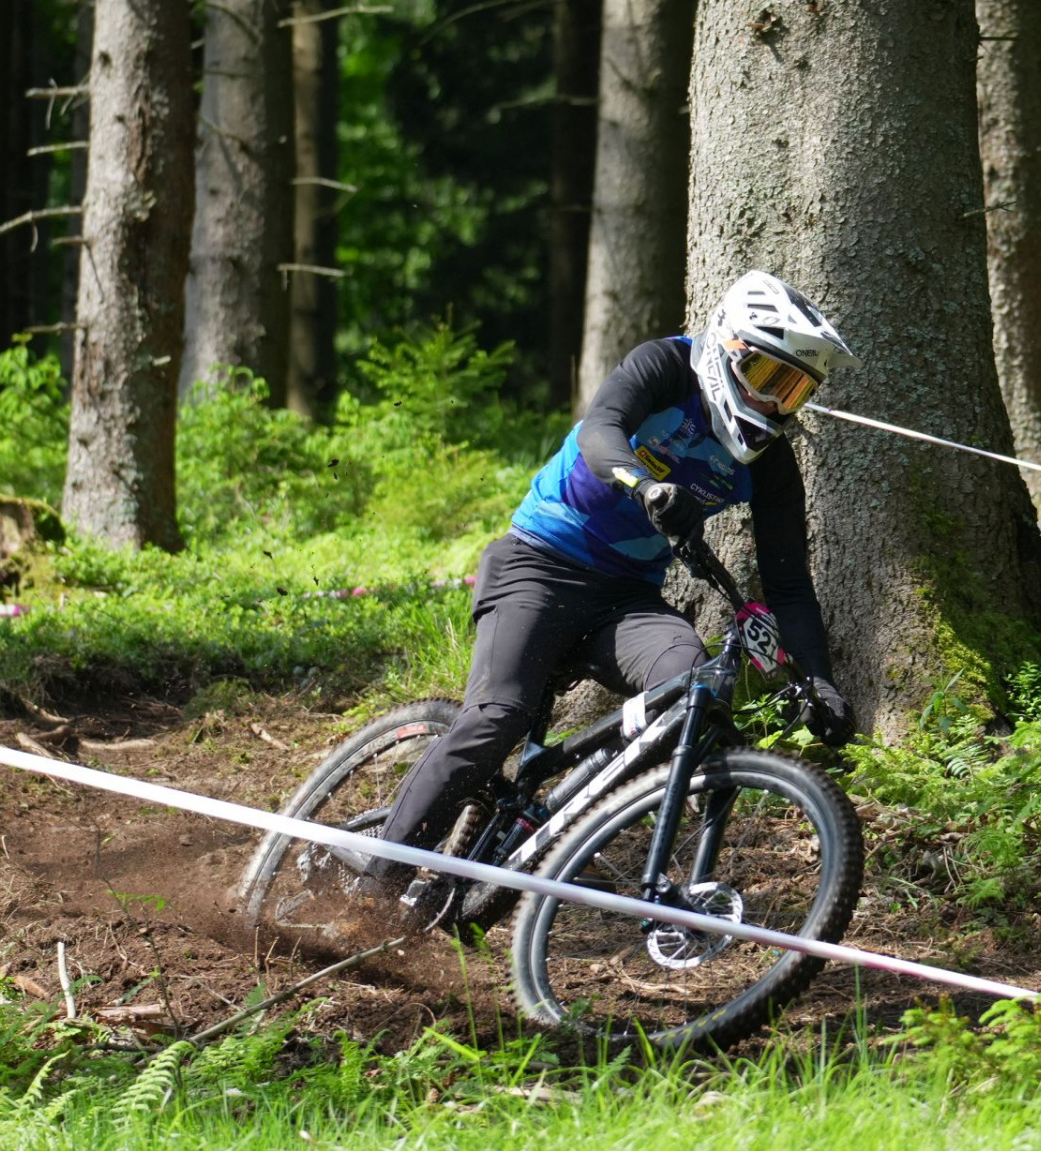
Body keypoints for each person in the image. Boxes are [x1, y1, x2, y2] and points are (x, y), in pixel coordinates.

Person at [340, 270, 859, 897]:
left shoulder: (771, 465)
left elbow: (790, 586)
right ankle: (371, 889)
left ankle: (562, 816)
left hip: (625, 599)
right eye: (770, 379)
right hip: (538, 562)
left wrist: (820, 680)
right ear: (730, 349)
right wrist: (645, 486)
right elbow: (598, 432)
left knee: (688, 681)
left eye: (795, 391)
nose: (777, 404)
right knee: (498, 717)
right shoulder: (668, 366)